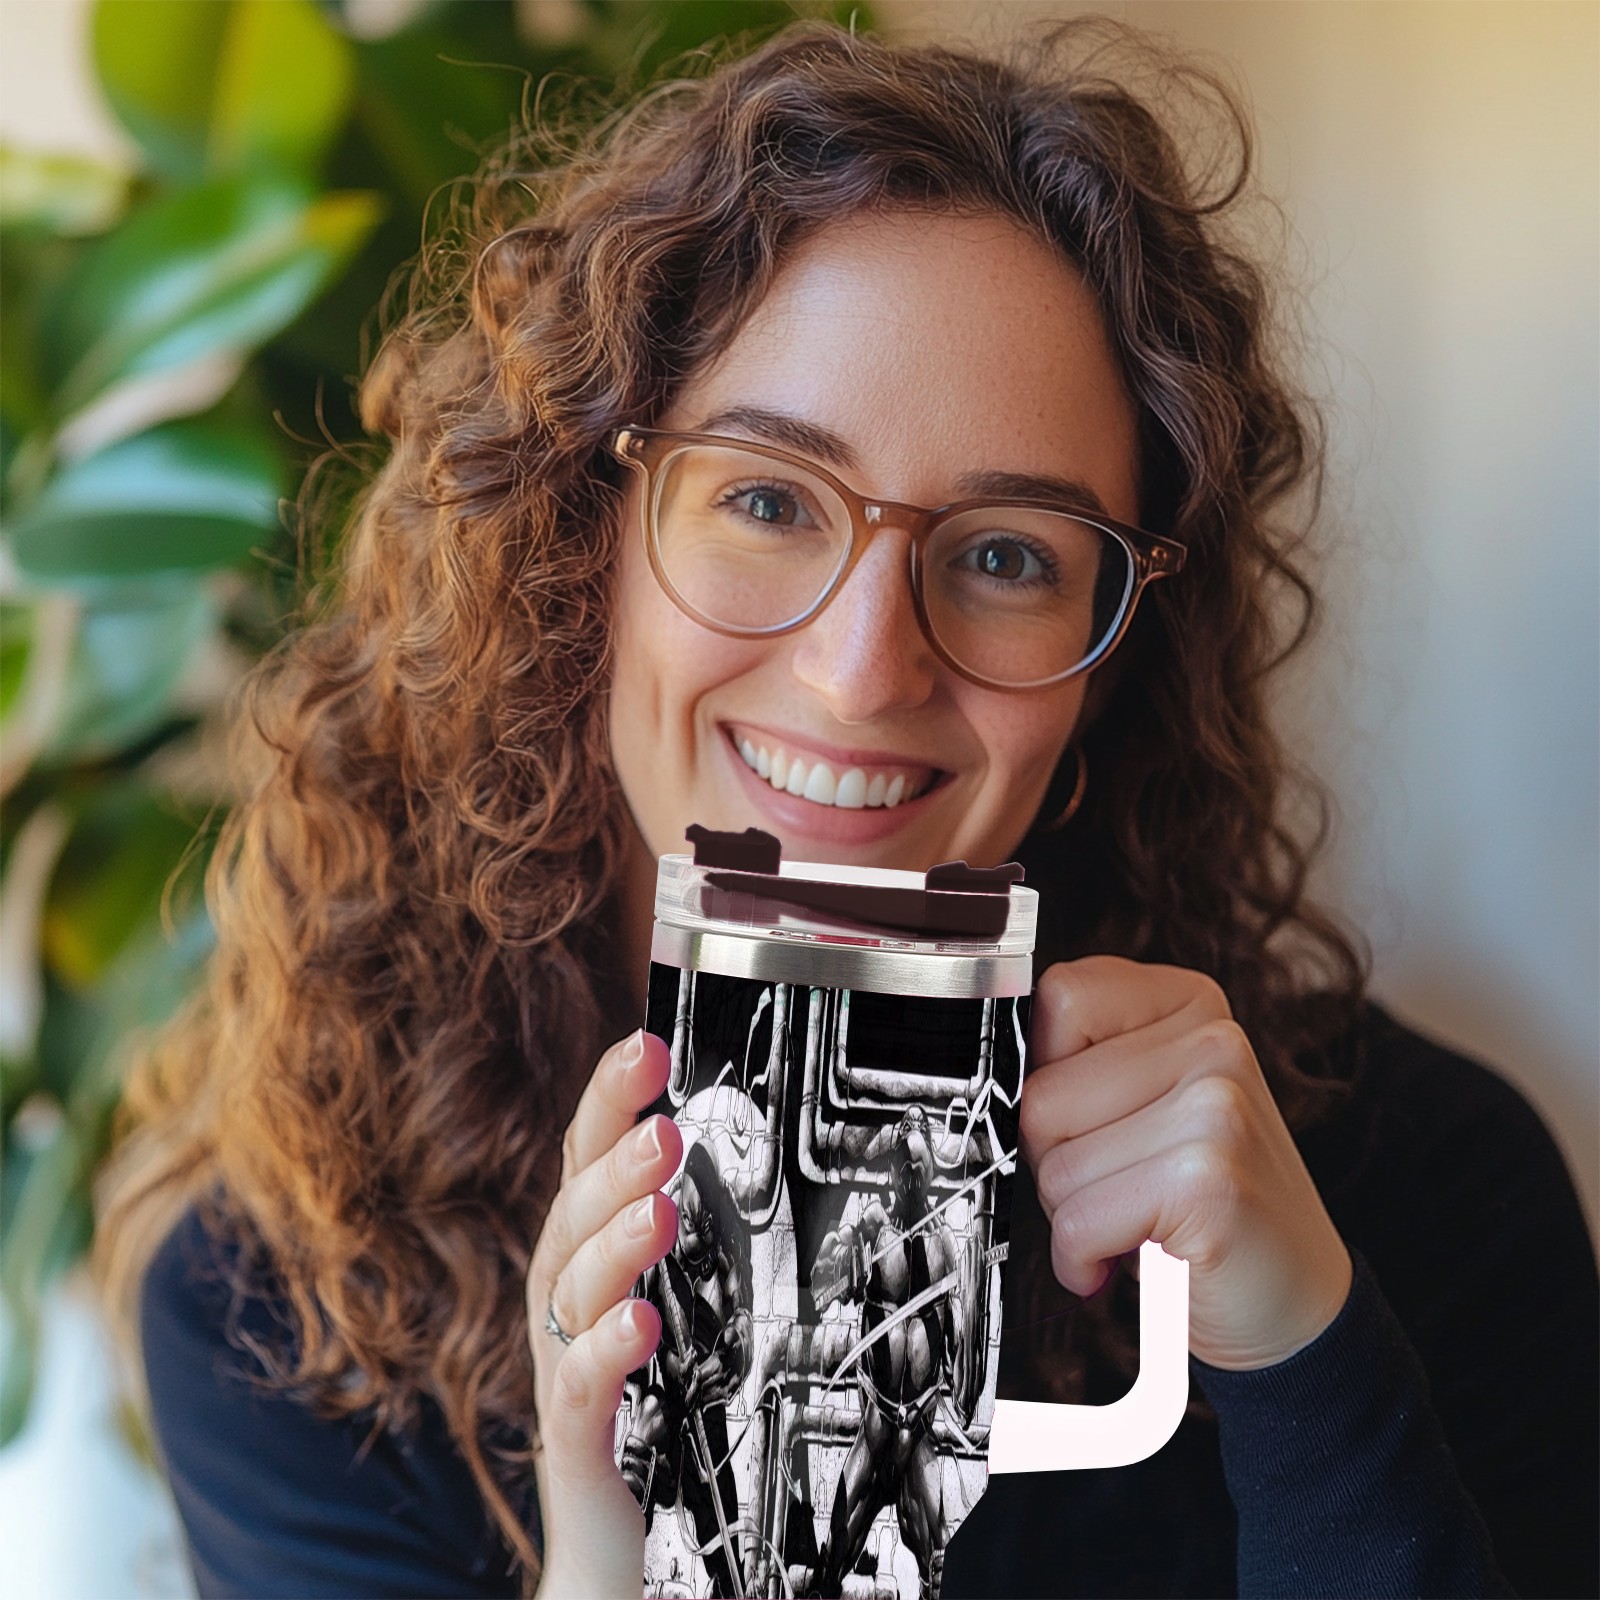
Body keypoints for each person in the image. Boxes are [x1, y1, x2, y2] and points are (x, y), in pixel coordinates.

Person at [95, 18, 1598, 1600]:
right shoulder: (292, 1300)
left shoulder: (1420, 1193)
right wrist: (609, 1556)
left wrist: (1305, 1367)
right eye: (765, 499)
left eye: (1007, 553)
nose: (864, 671)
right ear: (579, 550)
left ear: (1112, 662)